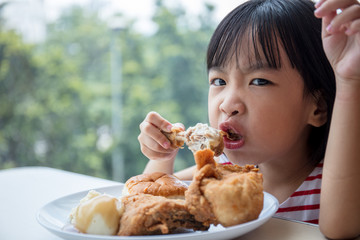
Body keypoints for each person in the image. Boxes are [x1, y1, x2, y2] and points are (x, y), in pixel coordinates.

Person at [137, 0, 360, 238]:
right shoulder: (218, 173)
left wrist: (349, 81)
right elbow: (152, 197)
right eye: (219, 81)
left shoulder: (340, 182)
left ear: (318, 109)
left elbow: (340, 229)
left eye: (259, 81)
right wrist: (163, 155)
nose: (227, 104)